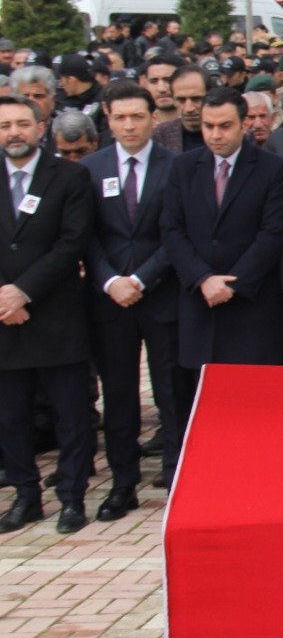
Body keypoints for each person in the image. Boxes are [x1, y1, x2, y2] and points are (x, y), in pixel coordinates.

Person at [82, 82, 180, 522]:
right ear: (108, 118)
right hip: (110, 301)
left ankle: (176, 477)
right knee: (119, 393)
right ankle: (123, 484)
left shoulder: (176, 167)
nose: (128, 125)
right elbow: (86, 237)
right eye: (120, 117)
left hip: (161, 294)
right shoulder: (90, 169)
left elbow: (175, 233)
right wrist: (110, 281)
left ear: (152, 118)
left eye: (137, 116)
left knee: (169, 392)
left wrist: (141, 277)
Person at [0, 95, 95, 534]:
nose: (14, 132)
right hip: (4, 320)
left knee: (71, 414)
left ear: (41, 128)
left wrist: (23, 292)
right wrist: (5, 299)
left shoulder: (71, 177)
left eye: (22, 123)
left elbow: (72, 243)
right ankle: (26, 496)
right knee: (11, 416)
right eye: (5, 125)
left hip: (56, 315)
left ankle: (72, 497)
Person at [160, 88, 283, 371]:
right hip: (200, 300)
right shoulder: (183, 167)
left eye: (224, 126)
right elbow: (171, 228)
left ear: (244, 123)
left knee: (252, 393)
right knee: (203, 389)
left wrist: (234, 282)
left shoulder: (273, 169)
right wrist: (202, 278)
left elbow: (274, 232)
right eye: (208, 126)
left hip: (252, 301)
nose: (215, 134)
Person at [153, 64, 210, 153]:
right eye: (181, 100)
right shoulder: (160, 135)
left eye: (196, 99)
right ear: (173, 99)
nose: (189, 108)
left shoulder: (229, 133)